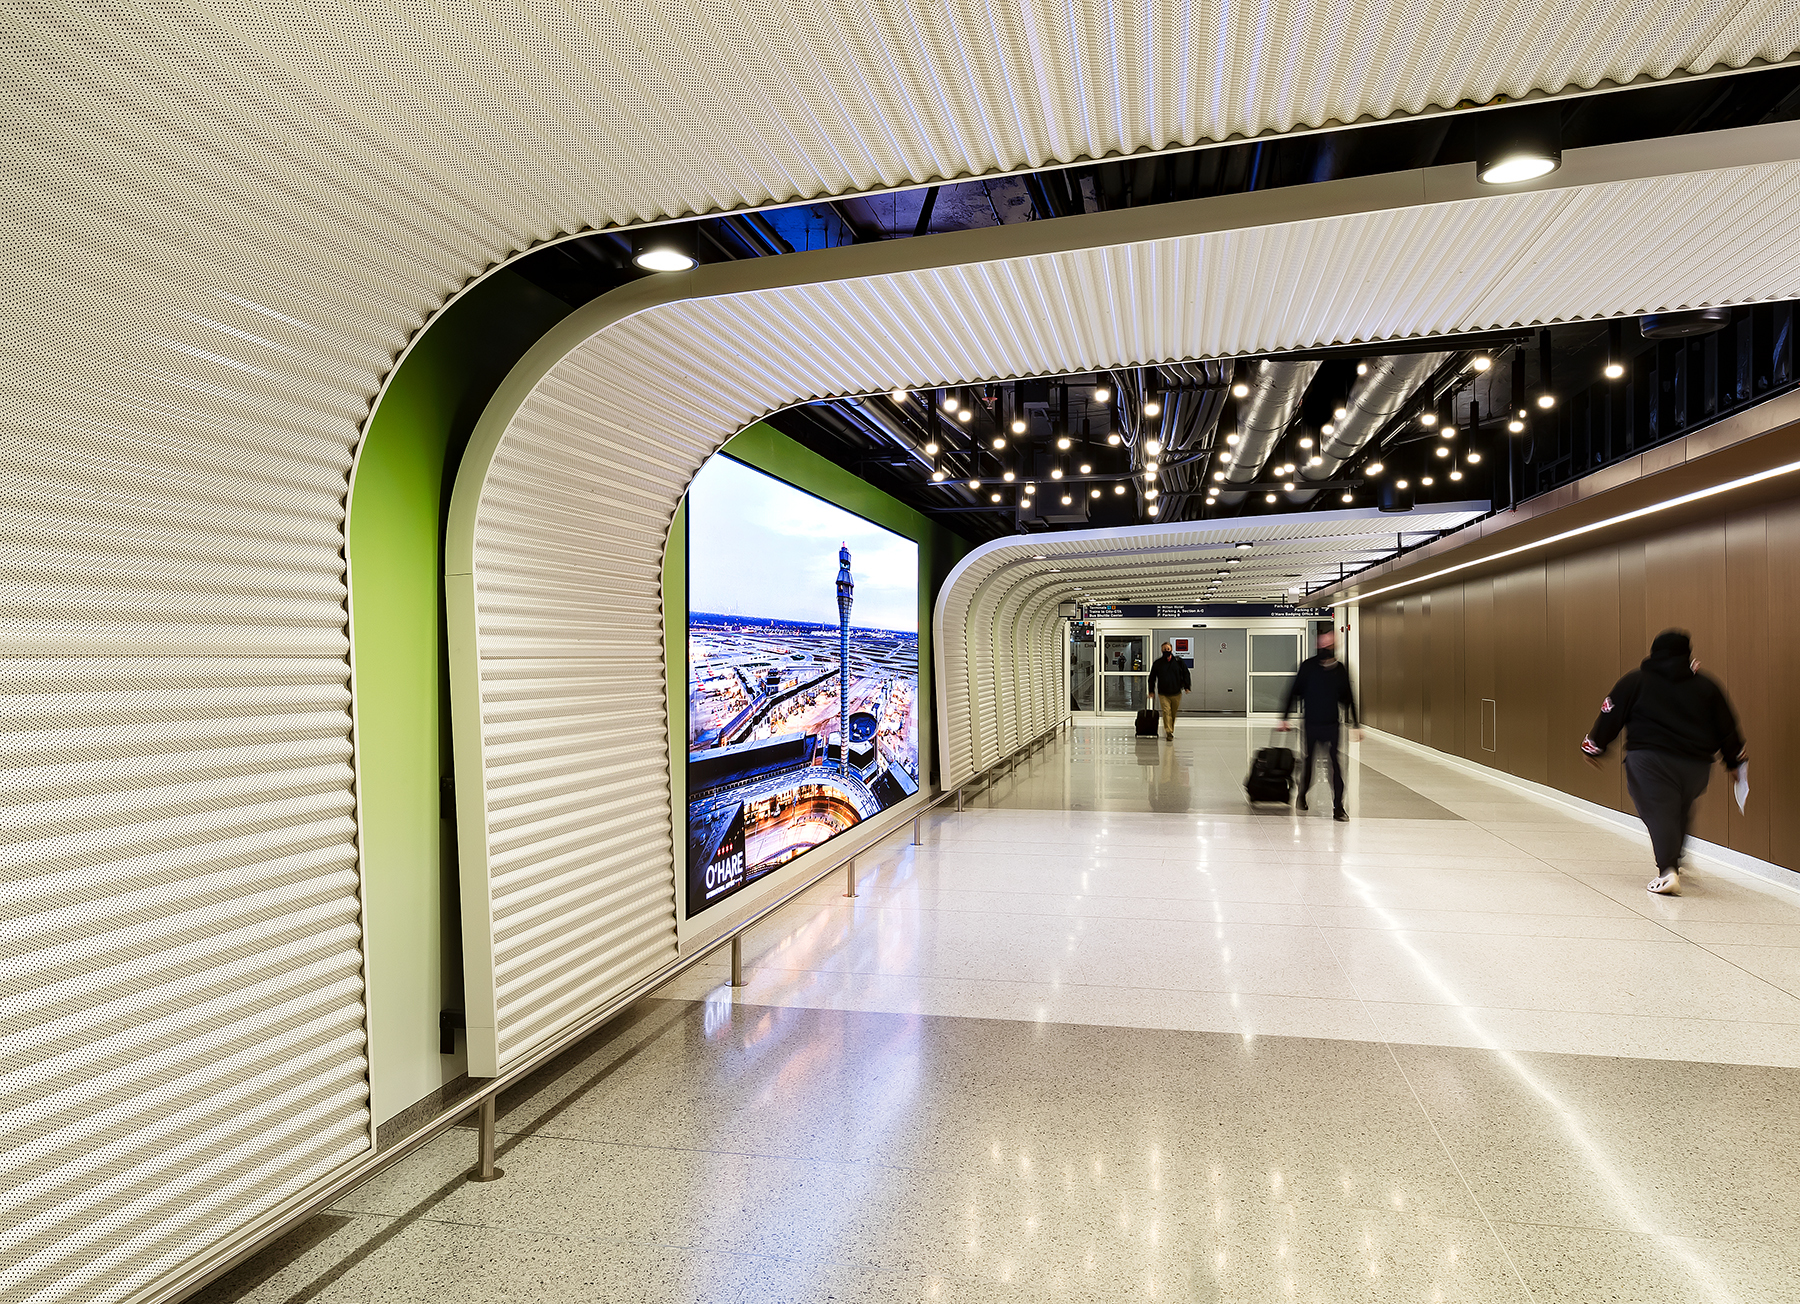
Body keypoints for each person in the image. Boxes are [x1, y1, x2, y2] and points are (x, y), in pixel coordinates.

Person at [1581, 629, 1745, 896]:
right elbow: (1727, 726)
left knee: (1659, 812)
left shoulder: (1635, 681)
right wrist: (1735, 762)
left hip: (1649, 760)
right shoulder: (1706, 685)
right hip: (1696, 764)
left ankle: (1668, 871)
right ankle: (1675, 859)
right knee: (1679, 809)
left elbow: (1610, 714)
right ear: (1687, 653)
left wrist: (1594, 747)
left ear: (1653, 652)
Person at [1278, 630, 1360, 820]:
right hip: (1311, 724)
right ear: (1318, 646)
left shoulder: (1340, 669)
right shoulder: (1308, 667)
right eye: (1324, 645)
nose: (1327, 648)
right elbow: (1293, 691)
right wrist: (1284, 717)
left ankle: (1338, 807)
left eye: (1330, 645)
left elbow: (1348, 697)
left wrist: (1356, 724)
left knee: (1335, 765)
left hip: (1332, 724)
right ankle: (1302, 794)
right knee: (1308, 762)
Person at [1145, 641, 1191, 739]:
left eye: (1168, 649)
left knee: (1173, 713)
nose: (1166, 651)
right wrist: (1151, 691)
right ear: (1161, 650)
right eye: (1164, 649)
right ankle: (1168, 731)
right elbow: (1152, 677)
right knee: (1166, 712)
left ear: (1171, 650)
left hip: (1176, 692)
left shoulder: (1178, 662)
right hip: (1163, 693)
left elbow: (1186, 673)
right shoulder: (1158, 663)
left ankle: (1171, 728)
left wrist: (1187, 686)